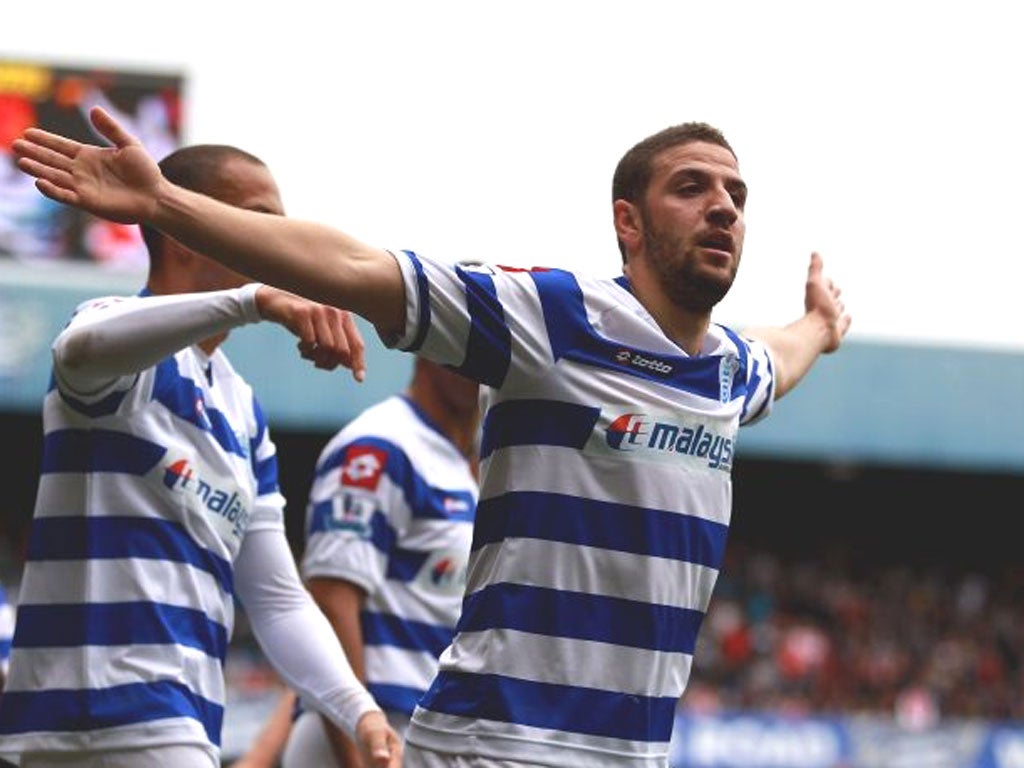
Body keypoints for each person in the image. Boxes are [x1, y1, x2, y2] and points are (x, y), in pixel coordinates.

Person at [12, 108, 851, 768]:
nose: (723, 208)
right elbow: (358, 267)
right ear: (628, 222)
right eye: (693, 187)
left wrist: (818, 322)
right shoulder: (552, 319)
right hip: (499, 745)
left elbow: (782, 354)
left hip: (630, 751)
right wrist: (167, 206)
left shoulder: (729, 372)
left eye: (737, 197)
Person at [0, 139, 402, 768]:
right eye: (257, 218)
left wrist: (358, 709)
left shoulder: (241, 411)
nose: (274, 240)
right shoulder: (116, 333)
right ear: (186, 235)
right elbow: (79, 349)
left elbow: (275, 597)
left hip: (169, 725)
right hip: (90, 725)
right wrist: (251, 302)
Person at [235, 356, 480, 767]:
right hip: (372, 735)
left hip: (416, 733)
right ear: (432, 345)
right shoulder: (380, 446)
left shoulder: (458, 463)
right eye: (471, 346)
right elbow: (330, 600)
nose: (483, 364)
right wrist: (357, 749)